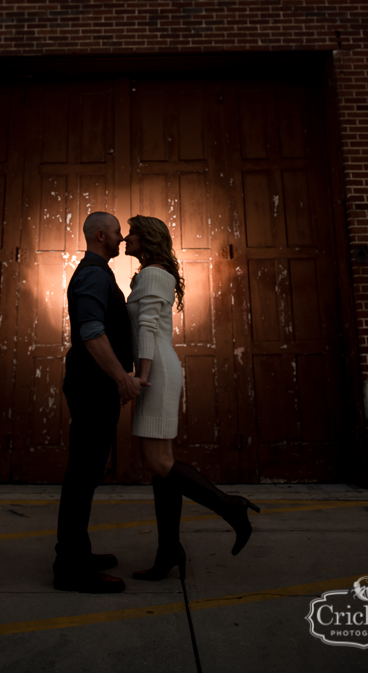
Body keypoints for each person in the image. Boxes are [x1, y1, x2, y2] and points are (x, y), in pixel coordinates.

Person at [125, 214, 260, 581]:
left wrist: (142, 378)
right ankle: (169, 550)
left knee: (156, 460)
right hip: (157, 368)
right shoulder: (150, 274)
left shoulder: (153, 274)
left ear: (148, 239)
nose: (126, 237)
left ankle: (230, 506)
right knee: (162, 462)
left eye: (133, 232)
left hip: (157, 372)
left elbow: (149, 327)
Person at [53, 211, 147, 594]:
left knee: (87, 474)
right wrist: (121, 377)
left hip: (95, 386)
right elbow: (92, 332)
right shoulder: (93, 273)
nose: (122, 239)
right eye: (117, 233)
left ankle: (77, 553)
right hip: (93, 386)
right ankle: (71, 569)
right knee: (82, 477)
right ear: (99, 235)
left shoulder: (99, 272)